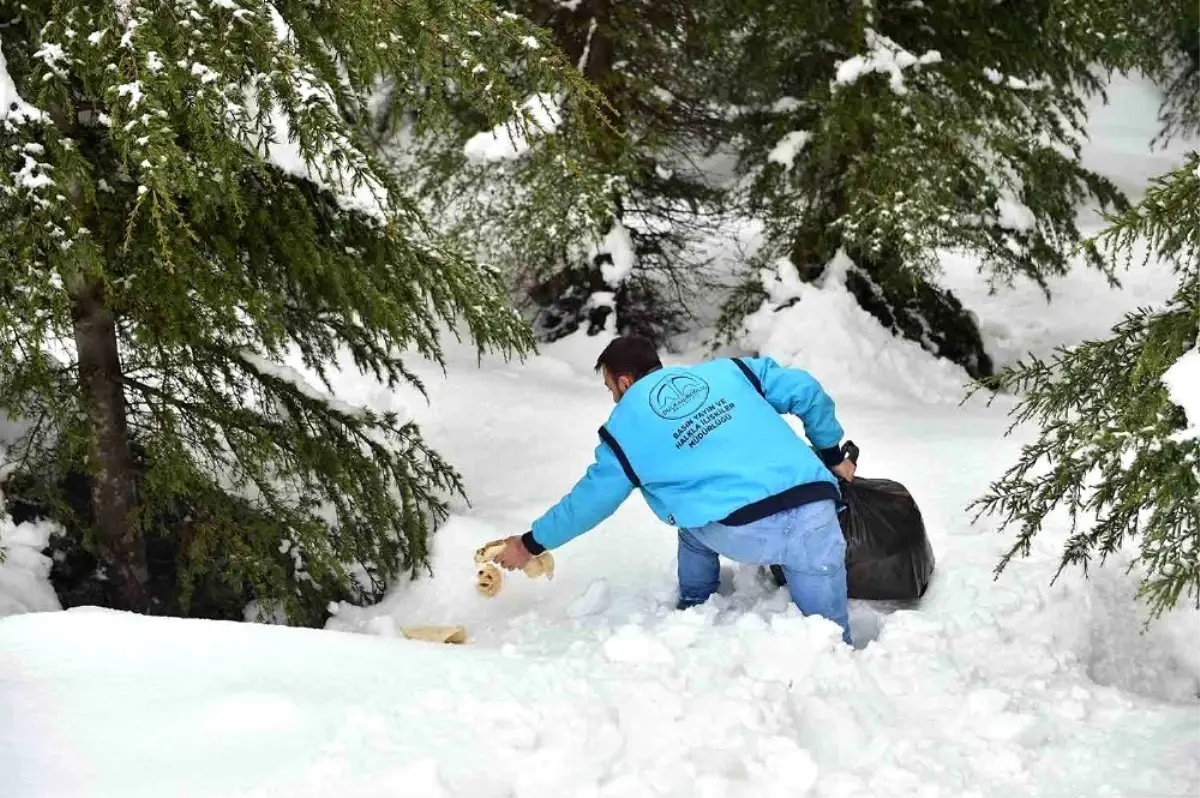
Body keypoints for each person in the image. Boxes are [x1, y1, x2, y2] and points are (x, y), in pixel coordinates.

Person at [490, 335, 856, 644]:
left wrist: (528, 544)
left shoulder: (624, 428)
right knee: (830, 642)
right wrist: (830, 454)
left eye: (609, 388)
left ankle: (696, 608)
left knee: (693, 527)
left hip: (745, 533)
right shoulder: (731, 371)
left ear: (624, 382)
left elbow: (590, 501)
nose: (614, 398)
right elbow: (804, 389)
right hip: (816, 516)